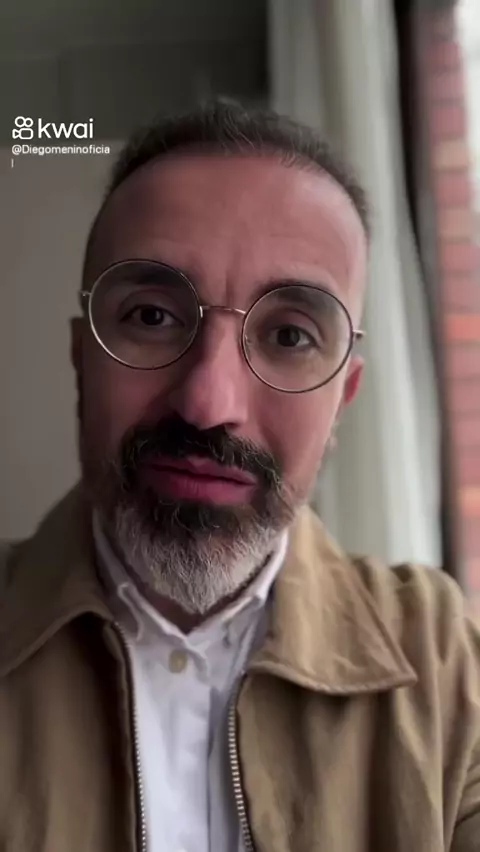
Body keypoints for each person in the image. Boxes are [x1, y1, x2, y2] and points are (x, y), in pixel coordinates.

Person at [0, 100, 479, 852]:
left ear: (343, 397)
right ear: (81, 356)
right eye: (152, 317)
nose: (207, 404)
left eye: (289, 334)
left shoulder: (451, 667)